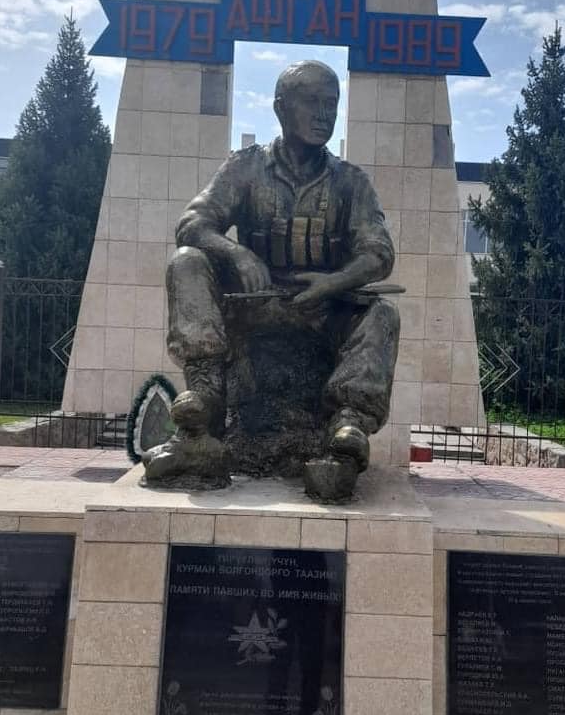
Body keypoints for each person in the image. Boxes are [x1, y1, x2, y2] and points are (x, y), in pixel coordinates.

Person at [143, 60, 400, 499]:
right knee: (186, 261)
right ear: (281, 108)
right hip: (251, 307)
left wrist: (333, 283)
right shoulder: (246, 168)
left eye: (332, 103)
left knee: (383, 314)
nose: (324, 114)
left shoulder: (351, 182)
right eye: (312, 102)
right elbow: (192, 224)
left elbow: (378, 253)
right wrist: (235, 252)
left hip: (321, 313)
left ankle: (348, 427)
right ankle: (205, 399)